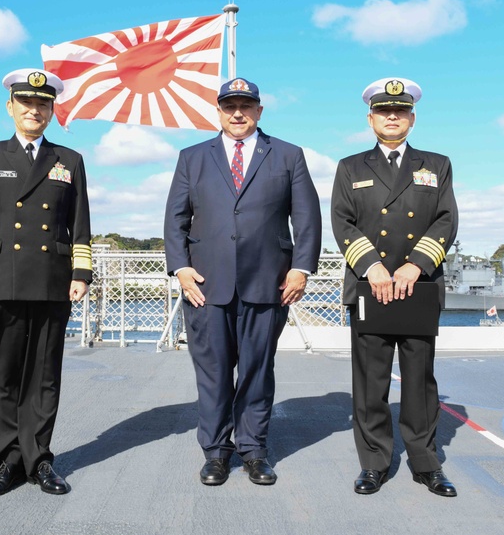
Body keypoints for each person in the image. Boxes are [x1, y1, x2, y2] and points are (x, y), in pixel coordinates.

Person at [164, 77, 322, 486]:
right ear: (218, 111)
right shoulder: (192, 157)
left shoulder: (288, 155)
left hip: (268, 283)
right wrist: (180, 268)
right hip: (206, 286)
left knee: (256, 369)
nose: (238, 113)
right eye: (230, 106)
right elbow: (175, 220)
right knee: (213, 372)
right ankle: (216, 453)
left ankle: (253, 450)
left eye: (246, 106)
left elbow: (306, 218)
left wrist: (300, 268)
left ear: (259, 111)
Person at [0, 68, 92, 498]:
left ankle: (39, 459)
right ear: (10, 107)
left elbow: (80, 223)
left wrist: (80, 272)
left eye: (43, 104)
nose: (35, 110)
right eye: (27, 103)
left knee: (44, 375)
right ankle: (5, 463)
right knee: (4, 374)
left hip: (53, 279)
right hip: (1, 278)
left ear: (52, 110)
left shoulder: (69, 160)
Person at [330, 77, 459, 497]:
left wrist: (415, 265)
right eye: (384, 111)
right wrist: (371, 266)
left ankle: (426, 463)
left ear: (412, 118)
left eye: (399, 111)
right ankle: (374, 463)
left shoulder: (436, 165)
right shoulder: (350, 167)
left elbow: (445, 219)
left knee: (420, 381)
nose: (392, 117)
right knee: (371, 381)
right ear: (370, 119)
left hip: (417, 287)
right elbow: (342, 222)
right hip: (371, 287)